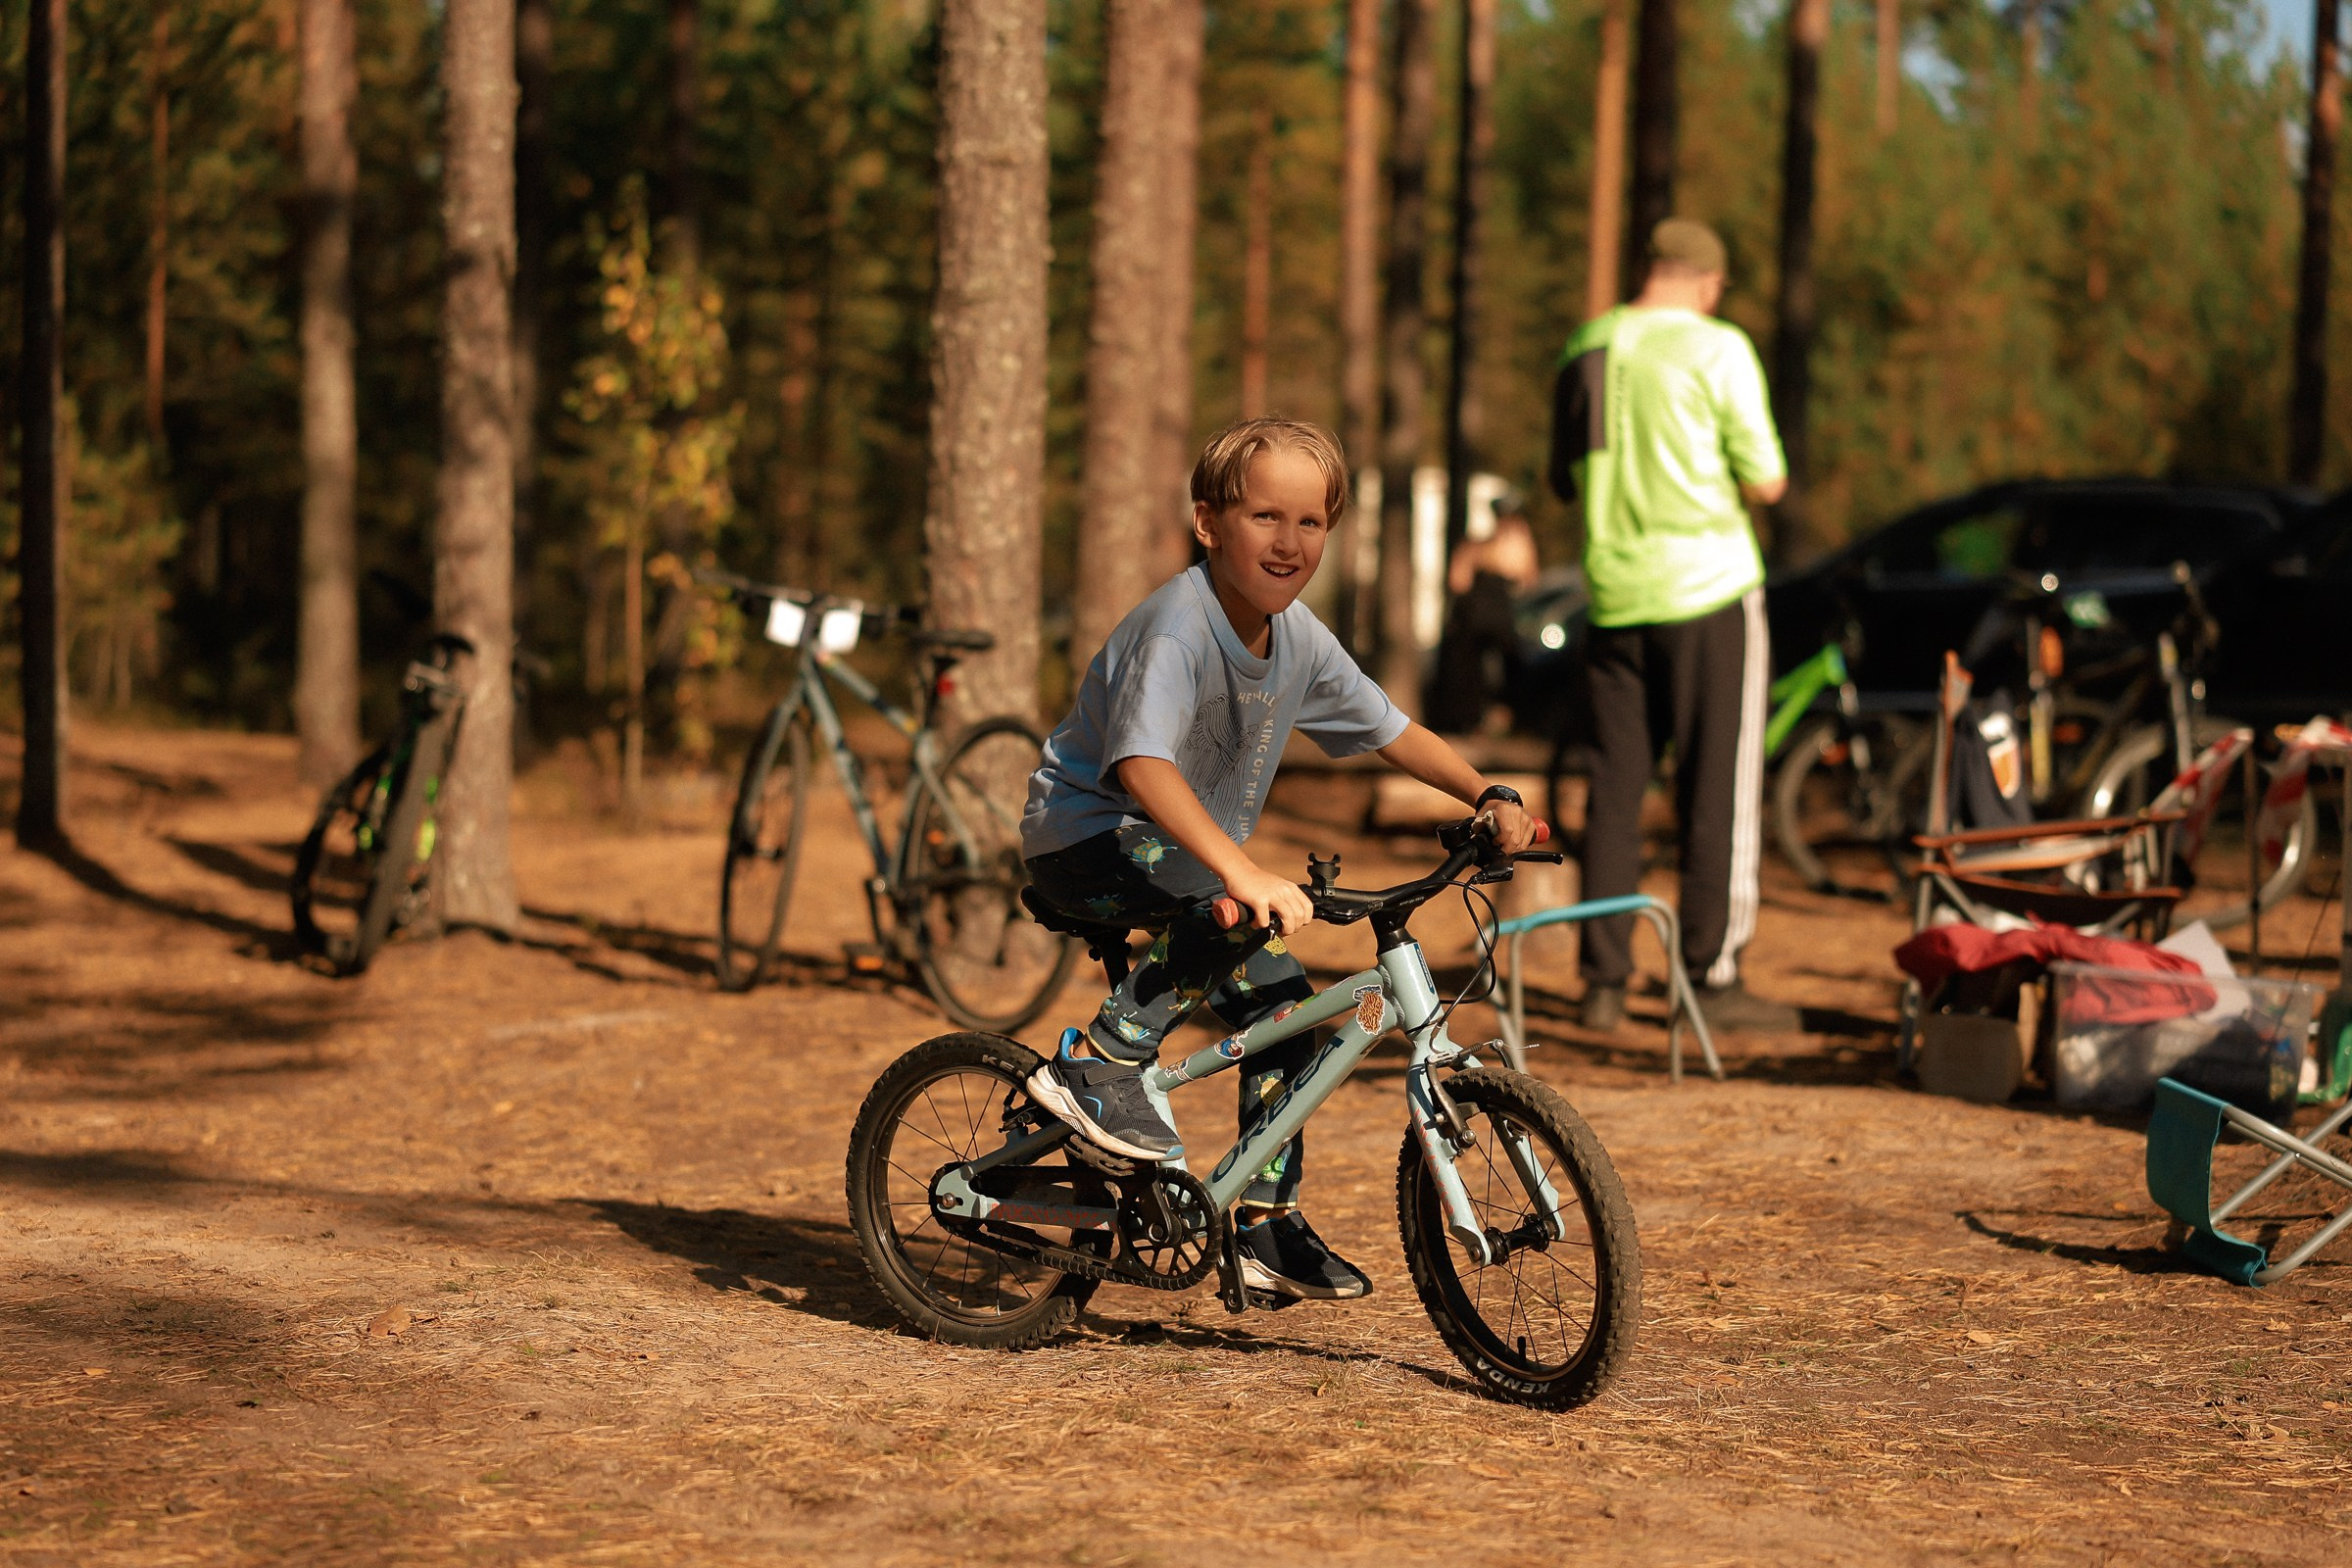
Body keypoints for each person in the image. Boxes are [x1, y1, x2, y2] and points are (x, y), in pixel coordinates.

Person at [1021, 416, 1538, 1300]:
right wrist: (1243, 871)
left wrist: (1484, 792)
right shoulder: (1177, 629)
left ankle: (1262, 1225)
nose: (1289, 541)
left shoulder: (1296, 636)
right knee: (1226, 906)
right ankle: (1103, 1062)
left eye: (1310, 522)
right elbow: (1140, 767)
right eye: (1265, 516)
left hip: (1182, 853)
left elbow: (1390, 728)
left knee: (1288, 1012)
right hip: (1087, 836)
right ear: (1209, 522)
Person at [1547, 218, 1798, 1035]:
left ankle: (1604, 983)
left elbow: (1562, 478)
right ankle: (1709, 979)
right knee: (1715, 786)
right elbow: (1767, 481)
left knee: (1616, 794)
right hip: (1709, 588)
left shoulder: (1585, 346)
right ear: (1708, 282)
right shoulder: (1717, 347)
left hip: (1615, 596)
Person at [1427, 490, 1541, 733]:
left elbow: (1527, 577)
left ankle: (1495, 717)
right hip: (1484, 615)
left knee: (1501, 667)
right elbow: (1460, 579)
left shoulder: (1498, 544)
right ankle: (1478, 718)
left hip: (1485, 616)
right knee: (1477, 668)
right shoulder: (1480, 546)